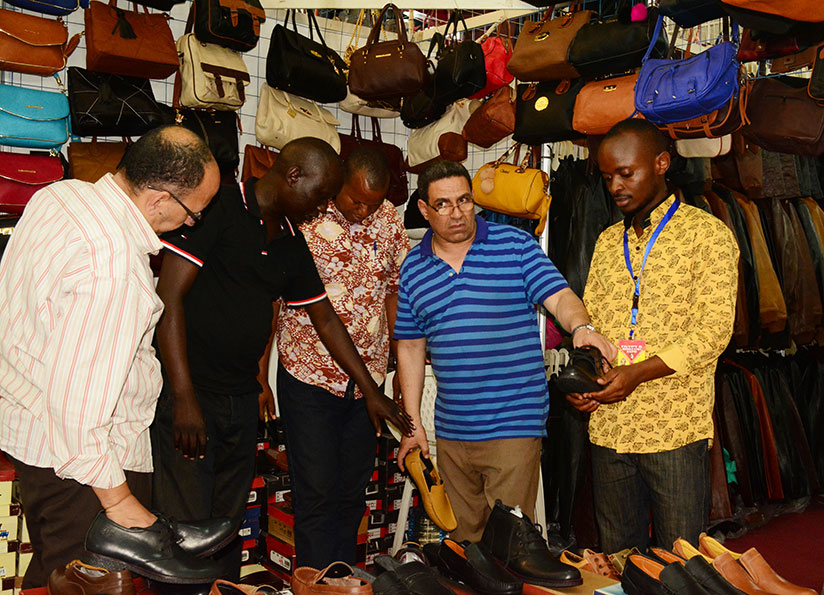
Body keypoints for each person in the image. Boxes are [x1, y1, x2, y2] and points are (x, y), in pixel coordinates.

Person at [151, 138, 412, 576]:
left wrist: (372, 391)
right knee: (185, 526)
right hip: (191, 395)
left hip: (238, 396)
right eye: (320, 195)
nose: (321, 207)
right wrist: (183, 396)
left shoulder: (290, 237)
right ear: (293, 176)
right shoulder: (217, 207)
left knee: (225, 525)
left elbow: (325, 318)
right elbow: (169, 300)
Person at [0, 125, 221, 588]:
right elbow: (80, 415)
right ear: (160, 198)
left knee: (52, 572)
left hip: (32, 434)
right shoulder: (114, 268)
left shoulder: (60, 195)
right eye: (192, 215)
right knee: (91, 581)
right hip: (83, 470)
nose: (188, 225)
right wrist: (122, 506)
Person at [394, 160, 617, 543]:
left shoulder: (515, 245)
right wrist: (413, 426)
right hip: (453, 431)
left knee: (510, 544)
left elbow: (559, 295)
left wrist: (581, 326)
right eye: (443, 204)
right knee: (465, 544)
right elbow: (411, 347)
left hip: (513, 423)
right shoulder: (414, 268)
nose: (457, 212)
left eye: (464, 200)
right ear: (424, 210)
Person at [570, 119, 739, 552]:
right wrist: (587, 382)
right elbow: (596, 324)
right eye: (608, 177)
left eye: (627, 173)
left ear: (662, 163)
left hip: (674, 427)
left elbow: (713, 331)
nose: (615, 186)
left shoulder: (708, 236)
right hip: (609, 427)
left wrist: (638, 373)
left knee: (680, 558)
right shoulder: (608, 241)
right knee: (618, 558)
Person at [272, 147, 409, 568]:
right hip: (309, 375)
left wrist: (400, 369)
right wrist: (260, 377)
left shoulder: (389, 221)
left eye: (373, 203)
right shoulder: (306, 215)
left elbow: (393, 294)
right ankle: (316, 582)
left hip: (369, 383)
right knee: (316, 493)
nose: (364, 210)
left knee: (351, 493)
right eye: (356, 201)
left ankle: (342, 575)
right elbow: (273, 300)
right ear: (339, 186)